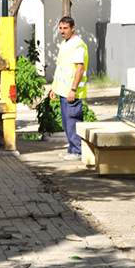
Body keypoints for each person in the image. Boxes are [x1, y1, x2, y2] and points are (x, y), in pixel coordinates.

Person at [50, 16, 88, 161]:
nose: (62, 31)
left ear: (73, 28)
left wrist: (73, 90)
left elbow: (80, 69)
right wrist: (54, 88)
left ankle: (77, 151)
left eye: (65, 28)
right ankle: (72, 149)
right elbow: (61, 68)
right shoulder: (65, 43)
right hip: (63, 90)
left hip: (71, 92)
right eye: (60, 28)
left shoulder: (78, 45)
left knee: (73, 121)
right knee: (67, 122)